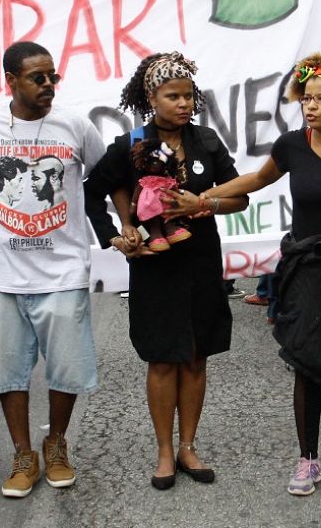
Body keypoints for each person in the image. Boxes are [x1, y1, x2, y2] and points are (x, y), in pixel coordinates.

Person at [202, 52, 321, 497]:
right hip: (307, 270)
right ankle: (307, 459)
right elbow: (255, 180)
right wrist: (203, 198)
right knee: (306, 364)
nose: (310, 106)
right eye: (306, 98)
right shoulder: (291, 145)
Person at [0, 41, 105, 498]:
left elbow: (106, 173)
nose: (49, 85)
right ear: (10, 81)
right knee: (7, 369)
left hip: (63, 270)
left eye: (53, 76)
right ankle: (22, 454)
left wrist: (118, 227)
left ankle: (56, 444)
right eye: (38, 78)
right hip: (3, 272)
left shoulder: (75, 125)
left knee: (67, 369)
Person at [84, 52, 247, 489]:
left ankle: (188, 446)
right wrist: (119, 233)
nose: (183, 104)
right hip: (155, 268)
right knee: (162, 359)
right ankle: (162, 452)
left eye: (188, 95)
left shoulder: (207, 142)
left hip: (201, 262)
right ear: (150, 97)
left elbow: (240, 198)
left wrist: (205, 203)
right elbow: (94, 190)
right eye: (172, 95)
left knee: (196, 358)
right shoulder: (130, 144)